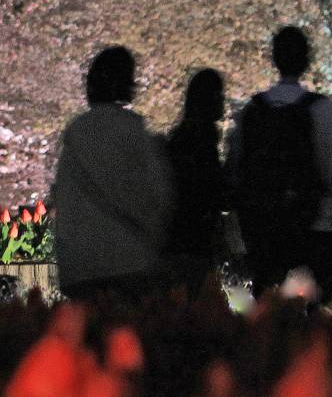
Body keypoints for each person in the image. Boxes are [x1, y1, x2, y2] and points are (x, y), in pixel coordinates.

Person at [228, 26, 332, 301]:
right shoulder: (321, 110)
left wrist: (238, 238)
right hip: (315, 229)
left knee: (266, 323)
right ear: (307, 60)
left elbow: (237, 176)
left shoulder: (251, 112)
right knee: (314, 328)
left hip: (265, 231)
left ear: (273, 59)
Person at [50, 46, 174, 301]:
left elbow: (60, 196)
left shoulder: (74, 138)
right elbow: (154, 195)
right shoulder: (134, 135)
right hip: (129, 259)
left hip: (79, 263)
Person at [163, 68, 227, 295]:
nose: (223, 103)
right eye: (220, 96)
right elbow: (214, 192)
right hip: (195, 243)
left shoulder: (178, 141)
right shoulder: (203, 145)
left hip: (173, 241)